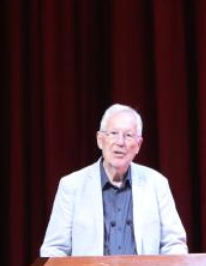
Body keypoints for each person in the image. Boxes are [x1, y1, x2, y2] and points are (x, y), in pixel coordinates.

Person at [39, 103, 188, 257]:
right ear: (100, 140)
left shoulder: (157, 184)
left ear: (138, 145)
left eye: (128, 135)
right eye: (114, 133)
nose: (120, 142)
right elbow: (54, 250)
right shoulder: (72, 186)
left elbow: (174, 243)